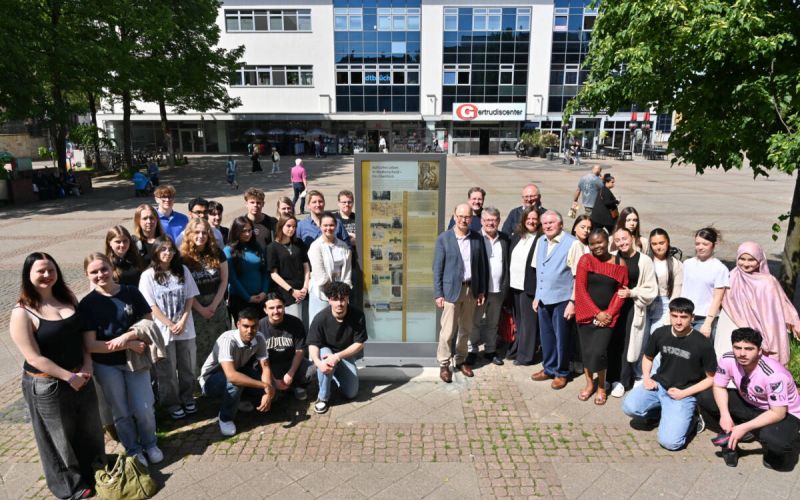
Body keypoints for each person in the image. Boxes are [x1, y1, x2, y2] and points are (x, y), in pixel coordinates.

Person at [10, 253, 103, 499]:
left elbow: (82, 335)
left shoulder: (68, 297)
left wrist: (87, 363)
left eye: (51, 269)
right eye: (40, 271)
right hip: (47, 384)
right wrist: (67, 377)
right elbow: (33, 357)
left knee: (90, 429)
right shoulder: (22, 312)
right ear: (28, 275)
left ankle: (94, 472)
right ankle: (69, 486)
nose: (47, 275)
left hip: (80, 375)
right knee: (57, 438)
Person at [79, 253, 161, 467]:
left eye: (104, 269)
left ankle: (150, 443)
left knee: (144, 408)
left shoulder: (130, 292)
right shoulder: (87, 304)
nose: (100, 275)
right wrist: (126, 343)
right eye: (94, 272)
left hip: (135, 360)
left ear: (111, 268)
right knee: (121, 411)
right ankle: (133, 449)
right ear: (87, 275)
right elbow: (91, 345)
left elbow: (148, 322)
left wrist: (127, 337)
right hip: (106, 366)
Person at [696, 328, 800, 471]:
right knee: (705, 397)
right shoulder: (727, 359)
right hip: (750, 401)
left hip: (782, 412)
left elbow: (778, 413)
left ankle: (760, 440)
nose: (742, 353)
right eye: (737, 348)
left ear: (759, 351)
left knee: (776, 442)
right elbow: (719, 386)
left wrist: (744, 427)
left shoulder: (774, 375)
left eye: (749, 349)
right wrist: (725, 415)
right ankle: (730, 440)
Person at [622, 298, 717, 451]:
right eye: (675, 316)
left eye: (684, 317)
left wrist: (684, 393)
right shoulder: (661, 333)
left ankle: (693, 418)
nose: (678, 321)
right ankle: (659, 413)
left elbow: (711, 378)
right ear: (670, 315)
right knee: (629, 407)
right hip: (659, 385)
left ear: (692, 318)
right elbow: (648, 357)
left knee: (671, 443)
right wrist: (646, 378)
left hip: (684, 393)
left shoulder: (702, 343)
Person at [138, 236, 199, 420]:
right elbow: (151, 305)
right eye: (163, 249)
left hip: (185, 328)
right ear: (156, 252)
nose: (167, 253)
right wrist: (170, 324)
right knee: (167, 369)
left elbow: (190, 297)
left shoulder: (182, 270)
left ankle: (188, 397)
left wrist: (183, 320)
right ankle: (172, 403)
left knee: (187, 366)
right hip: (163, 331)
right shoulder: (148, 276)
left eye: (170, 249)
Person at [715, 242, 800, 364]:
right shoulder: (732, 276)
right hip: (731, 323)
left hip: (759, 328)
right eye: (742, 259)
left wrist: (793, 321)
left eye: (751, 259)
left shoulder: (768, 281)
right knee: (729, 360)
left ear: (760, 260)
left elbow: (778, 307)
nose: (746, 263)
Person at [433, 203, 489, 382]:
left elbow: (481, 266)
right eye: (461, 216)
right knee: (448, 331)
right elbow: (437, 269)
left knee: (466, 329)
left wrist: (481, 291)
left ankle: (461, 360)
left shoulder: (477, 239)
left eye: (467, 217)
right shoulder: (444, 238)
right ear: (454, 216)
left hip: (470, 290)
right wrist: (438, 293)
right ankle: (444, 363)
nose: (464, 220)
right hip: (450, 291)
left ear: (472, 218)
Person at [198, 308, 274, 436]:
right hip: (211, 379)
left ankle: (237, 401)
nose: (250, 331)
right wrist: (265, 386)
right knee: (236, 383)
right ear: (238, 324)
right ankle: (225, 417)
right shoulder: (227, 340)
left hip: (238, 370)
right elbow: (232, 376)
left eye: (253, 326)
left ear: (258, 325)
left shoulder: (259, 338)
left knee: (273, 392)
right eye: (245, 326)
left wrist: (268, 392)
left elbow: (265, 367)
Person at [530, 210, 584, 389]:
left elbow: (578, 276)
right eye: (544, 223)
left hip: (563, 300)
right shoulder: (541, 241)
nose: (547, 226)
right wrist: (537, 296)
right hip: (544, 298)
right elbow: (539, 271)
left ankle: (562, 372)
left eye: (551, 223)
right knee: (546, 337)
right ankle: (549, 368)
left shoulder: (572, 243)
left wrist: (573, 302)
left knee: (562, 338)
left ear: (560, 224)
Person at [574, 229, 628, 405]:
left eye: (600, 242)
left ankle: (602, 386)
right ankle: (589, 384)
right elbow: (580, 289)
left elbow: (621, 291)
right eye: (592, 243)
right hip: (587, 314)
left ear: (608, 242)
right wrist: (597, 313)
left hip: (608, 317)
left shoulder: (620, 263)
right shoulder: (586, 260)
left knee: (599, 353)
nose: (596, 246)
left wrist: (609, 314)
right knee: (587, 353)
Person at [608, 227, 657, 397]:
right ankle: (611, 378)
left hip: (632, 308)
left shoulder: (644, 261)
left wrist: (632, 293)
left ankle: (623, 380)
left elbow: (651, 289)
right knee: (613, 341)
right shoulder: (613, 257)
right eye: (618, 240)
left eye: (625, 238)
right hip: (613, 307)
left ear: (632, 238)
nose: (622, 242)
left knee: (629, 343)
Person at [307, 281, 367, 414]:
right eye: (335, 299)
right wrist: (318, 363)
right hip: (325, 352)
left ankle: (332, 375)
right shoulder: (320, 318)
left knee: (351, 393)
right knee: (326, 362)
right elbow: (313, 344)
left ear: (347, 299)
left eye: (342, 299)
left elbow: (359, 343)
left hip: (344, 354)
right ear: (329, 300)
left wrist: (338, 356)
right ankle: (322, 398)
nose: (339, 303)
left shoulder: (357, 316)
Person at [180, 218, 229, 371]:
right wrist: (201, 309)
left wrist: (214, 305)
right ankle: (199, 384)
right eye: (197, 232)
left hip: (217, 305)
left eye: (204, 233)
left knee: (220, 344)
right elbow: (183, 288)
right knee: (198, 347)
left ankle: (221, 378)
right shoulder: (183, 258)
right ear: (189, 234)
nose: (200, 236)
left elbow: (224, 280)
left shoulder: (217, 253)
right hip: (194, 308)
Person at [467, 207, 509, 367]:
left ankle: (490, 351)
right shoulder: (475, 238)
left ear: (498, 221)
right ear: (482, 221)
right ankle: (472, 351)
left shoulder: (504, 239)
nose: (491, 223)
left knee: (493, 323)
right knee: (474, 322)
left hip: (498, 290)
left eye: (494, 220)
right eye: (487, 220)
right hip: (480, 291)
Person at [258, 294, 314, 401]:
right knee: (273, 398)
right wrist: (273, 379)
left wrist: (291, 373)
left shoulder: (295, 323)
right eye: (271, 308)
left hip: (291, 362)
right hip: (270, 365)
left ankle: (298, 386)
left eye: (279, 307)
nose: (276, 311)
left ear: (284, 307)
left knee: (312, 370)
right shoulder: (259, 327)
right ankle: (279, 389)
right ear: (265, 310)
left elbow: (300, 350)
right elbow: (260, 358)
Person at [506, 207, 542, 365]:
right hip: (515, 285)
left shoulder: (541, 239)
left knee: (529, 323)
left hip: (529, 286)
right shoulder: (517, 237)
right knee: (519, 320)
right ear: (523, 220)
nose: (532, 221)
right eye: (529, 219)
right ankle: (518, 348)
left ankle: (526, 355)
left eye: (535, 219)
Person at [681, 227, 729, 339]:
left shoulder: (720, 268)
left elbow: (718, 298)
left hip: (704, 318)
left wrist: (708, 323)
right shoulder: (687, 264)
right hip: (685, 315)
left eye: (705, 244)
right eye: (697, 243)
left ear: (713, 245)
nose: (700, 247)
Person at [308, 212, 353, 323]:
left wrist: (342, 294)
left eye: (331, 225)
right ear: (320, 226)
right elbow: (320, 275)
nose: (329, 228)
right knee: (319, 324)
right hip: (322, 292)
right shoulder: (316, 246)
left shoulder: (343, 246)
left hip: (341, 294)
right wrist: (334, 294)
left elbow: (347, 272)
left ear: (336, 226)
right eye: (325, 225)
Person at [224, 216, 269, 321]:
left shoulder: (256, 246)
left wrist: (264, 292)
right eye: (243, 231)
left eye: (250, 230)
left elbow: (265, 272)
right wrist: (248, 298)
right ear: (236, 231)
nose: (248, 234)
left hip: (260, 298)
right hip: (240, 300)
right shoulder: (228, 250)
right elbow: (232, 278)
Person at [267, 216, 310, 321]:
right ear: (281, 226)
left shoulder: (298, 243)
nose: (292, 229)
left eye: (294, 226)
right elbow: (274, 274)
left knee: (307, 323)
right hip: (287, 293)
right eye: (289, 226)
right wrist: (291, 291)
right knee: (295, 322)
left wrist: (305, 288)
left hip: (304, 291)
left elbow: (307, 267)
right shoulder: (272, 247)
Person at [646, 228, 684, 334]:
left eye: (661, 243)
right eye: (654, 244)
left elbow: (676, 292)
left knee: (656, 338)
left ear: (668, 242)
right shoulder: (646, 261)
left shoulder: (676, 264)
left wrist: (670, 315)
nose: (658, 247)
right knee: (642, 343)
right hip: (646, 304)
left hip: (665, 305)